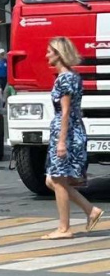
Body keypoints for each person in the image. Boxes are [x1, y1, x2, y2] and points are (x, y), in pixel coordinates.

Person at [43, 37, 104, 239]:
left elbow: (66, 111)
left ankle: (64, 228)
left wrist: (61, 141)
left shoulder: (65, 79)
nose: (46, 55)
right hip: (68, 130)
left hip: (67, 132)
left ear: (59, 54)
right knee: (52, 180)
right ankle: (90, 210)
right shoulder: (71, 76)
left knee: (58, 180)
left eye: (50, 51)